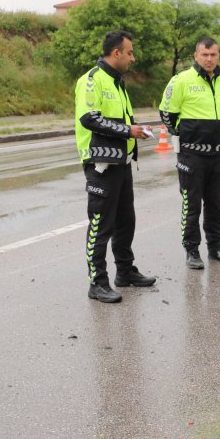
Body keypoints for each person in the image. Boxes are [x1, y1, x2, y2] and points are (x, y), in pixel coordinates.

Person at [73, 30, 156, 303]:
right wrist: (128, 131)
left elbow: (119, 121)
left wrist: (135, 130)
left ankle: (125, 272)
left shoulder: (118, 82)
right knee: (100, 224)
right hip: (100, 164)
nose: (133, 57)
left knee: (125, 221)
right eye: (130, 52)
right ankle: (97, 283)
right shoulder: (92, 80)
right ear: (116, 52)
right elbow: (89, 118)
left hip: (121, 162)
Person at [159, 37, 220, 270]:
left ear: (218, 55)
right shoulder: (181, 79)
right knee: (191, 205)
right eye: (205, 54)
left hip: (218, 155)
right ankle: (191, 249)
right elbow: (166, 113)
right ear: (196, 55)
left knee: (215, 204)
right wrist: (185, 136)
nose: (209, 59)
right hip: (192, 156)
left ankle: (216, 247)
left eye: (213, 54)